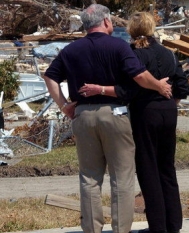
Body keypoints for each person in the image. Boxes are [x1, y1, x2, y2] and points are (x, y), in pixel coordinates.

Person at [42, 4, 172, 233]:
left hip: (82, 115)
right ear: (106, 21)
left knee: (89, 177)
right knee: (121, 177)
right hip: (115, 114)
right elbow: (140, 76)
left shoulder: (71, 50)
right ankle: (121, 229)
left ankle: (92, 229)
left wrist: (64, 106)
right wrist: (159, 86)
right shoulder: (119, 46)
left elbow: (49, 76)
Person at [79, 12, 188, 233]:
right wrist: (168, 100)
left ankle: (158, 226)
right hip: (168, 110)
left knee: (148, 168)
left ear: (131, 30)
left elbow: (128, 89)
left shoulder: (133, 54)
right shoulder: (170, 54)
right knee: (167, 167)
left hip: (145, 112)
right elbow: (183, 86)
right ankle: (174, 224)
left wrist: (102, 90)